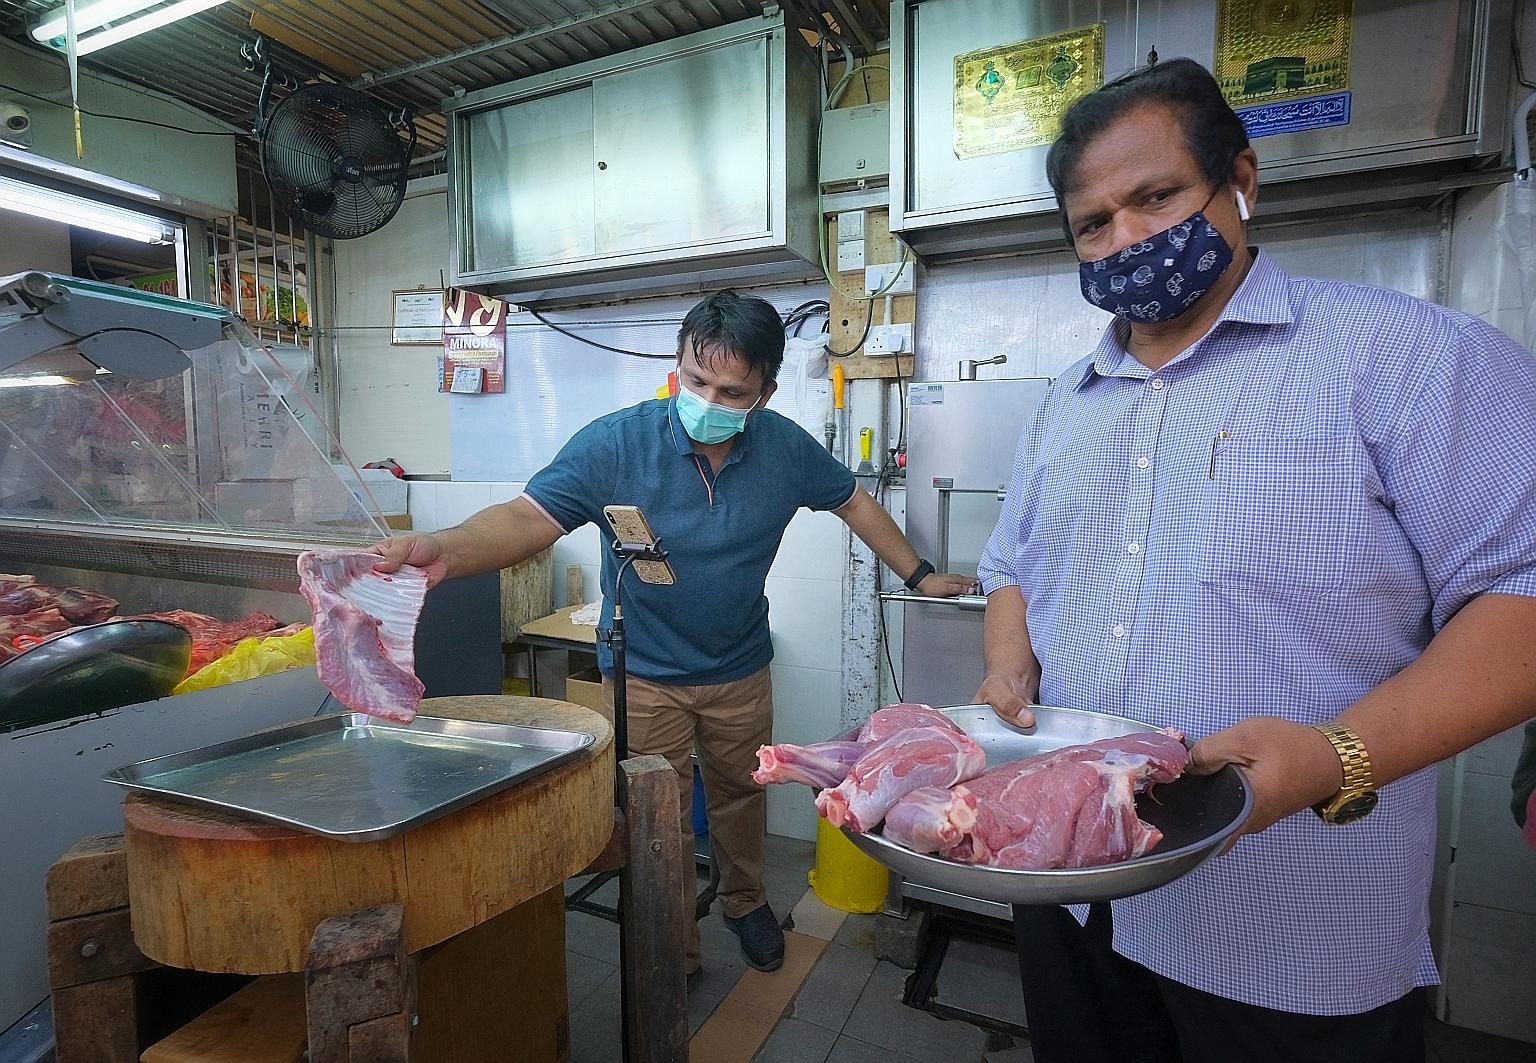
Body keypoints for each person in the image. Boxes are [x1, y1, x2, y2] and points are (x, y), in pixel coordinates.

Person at [973, 58, 1536, 1063]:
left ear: (1241, 179)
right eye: (1093, 225)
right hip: (1076, 897)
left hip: (1291, 933)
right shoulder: (1066, 403)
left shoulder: (1405, 356)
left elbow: (1523, 588)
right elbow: (1009, 562)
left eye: (1156, 198)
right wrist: (1009, 660)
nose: (1127, 239)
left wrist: (1336, 756)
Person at [374, 289, 971, 979]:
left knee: (740, 795)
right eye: (695, 380)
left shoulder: (783, 450)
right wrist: (445, 550)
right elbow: (526, 516)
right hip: (643, 673)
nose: (707, 400)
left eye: (730, 390)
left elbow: (853, 499)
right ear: (676, 365)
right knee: (654, 815)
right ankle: (670, 942)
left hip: (739, 667)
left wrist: (921, 573)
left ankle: (746, 902)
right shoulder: (616, 443)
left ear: (765, 393)